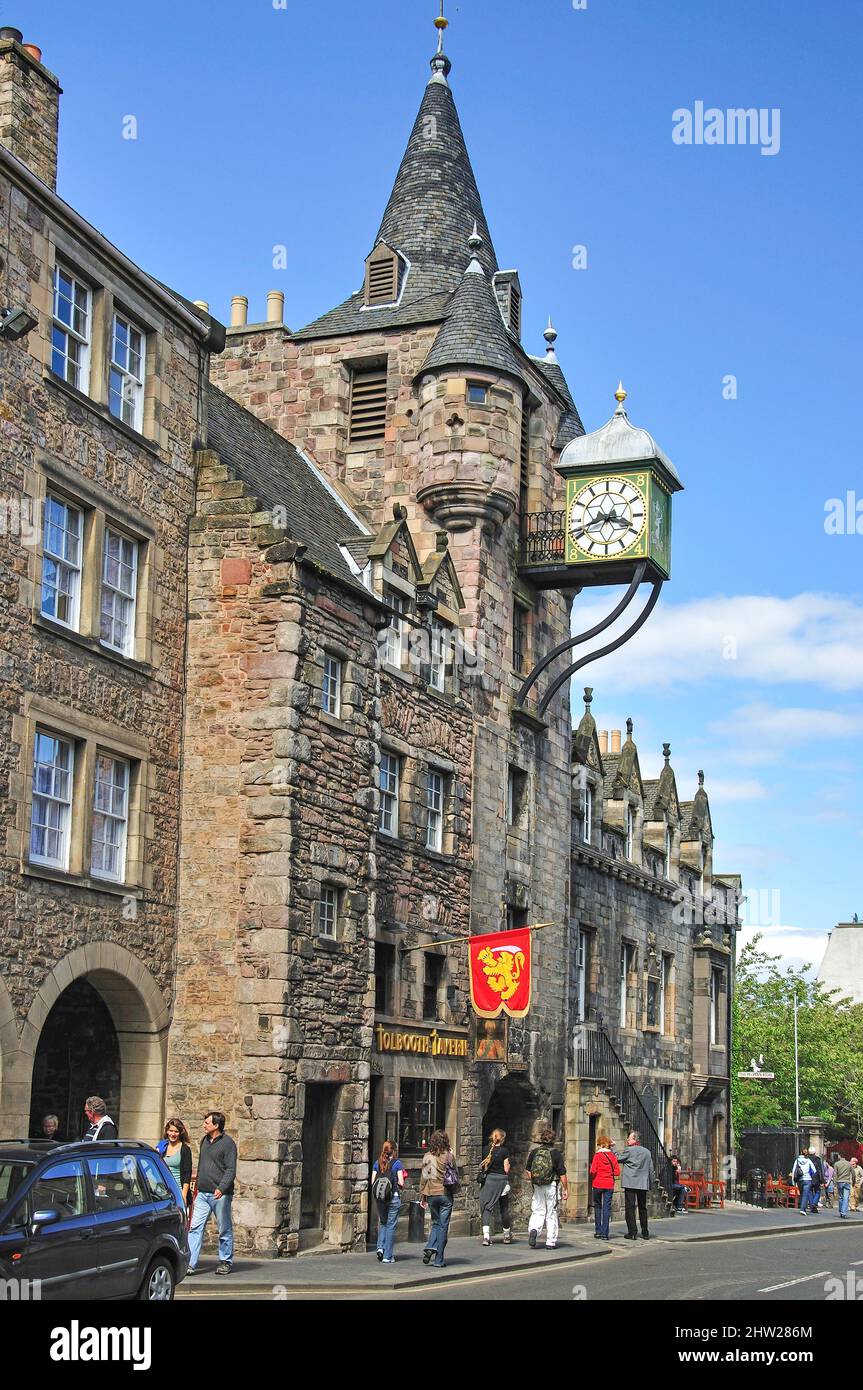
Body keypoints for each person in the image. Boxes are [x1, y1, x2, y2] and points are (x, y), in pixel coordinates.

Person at [187, 1111, 237, 1276]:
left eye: (207, 1123)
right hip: (202, 1193)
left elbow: (230, 1169)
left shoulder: (228, 1144)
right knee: (194, 1228)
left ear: (216, 1125)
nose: (204, 1125)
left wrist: (221, 1188)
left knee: (224, 1228)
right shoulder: (204, 1141)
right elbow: (202, 1165)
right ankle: (190, 1263)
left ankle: (225, 1262)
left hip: (220, 1195)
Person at [419, 1129, 458, 1268]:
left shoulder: (428, 1156)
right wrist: (452, 1155)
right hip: (445, 1194)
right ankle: (439, 1259)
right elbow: (455, 1174)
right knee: (443, 1226)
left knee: (435, 1223)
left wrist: (422, 1196)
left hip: (431, 1194)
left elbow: (425, 1178)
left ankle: (430, 1247)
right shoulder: (448, 1156)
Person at [526, 1127, 569, 1249]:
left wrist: (535, 1181)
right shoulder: (555, 1153)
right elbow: (562, 1174)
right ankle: (550, 1241)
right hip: (551, 1186)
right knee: (551, 1213)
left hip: (538, 1186)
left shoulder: (534, 1152)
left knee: (538, 1210)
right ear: (552, 1140)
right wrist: (566, 1189)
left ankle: (534, 1230)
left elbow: (528, 1170)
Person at [371, 1139, 405, 1264]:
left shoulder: (377, 1163)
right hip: (393, 1197)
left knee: (383, 1223)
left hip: (380, 1198)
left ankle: (380, 1247)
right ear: (394, 1151)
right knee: (391, 1225)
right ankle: (388, 1256)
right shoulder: (397, 1164)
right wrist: (399, 1184)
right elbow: (401, 1182)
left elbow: (372, 1182)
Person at [477, 1127, 512, 1246]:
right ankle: (507, 1235)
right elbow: (506, 1169)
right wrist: (509, 1166)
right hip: (502, 1182)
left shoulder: (486, 1149)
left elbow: (484, 1167)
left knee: (487, 1208)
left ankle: (486, 1237)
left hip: (489, 1181)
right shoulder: (504, 1151)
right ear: (502, 1139)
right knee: (504, 1208)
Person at [617, 1130, 654, 1240]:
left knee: (630, 1207)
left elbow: (617, 1158)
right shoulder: (647, 1152)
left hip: (630, 1183)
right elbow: (651, 1169)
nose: (627, 1140)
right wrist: (650, 1183)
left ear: (634, 1139)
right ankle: (645, 1232)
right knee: (643, 1208)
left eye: (629, 1138)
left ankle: (632, 1232)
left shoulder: (629, 1150)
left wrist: (613, 1148)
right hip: (643, 1183)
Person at [156, 1117, 193, 1208]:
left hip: (178, 1191)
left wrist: (183, 1196)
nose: (173, 1134)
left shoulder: (185, 1149)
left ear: (180, 1133)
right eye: (171, 1131)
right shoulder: (162, 1147)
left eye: (176, 1131)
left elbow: (187, 1174)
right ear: (167, 1131)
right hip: (162, 1191)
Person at [588, 1133, 618, 1241]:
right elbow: (617, 1172)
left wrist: (593, 1167)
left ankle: (598, 1231)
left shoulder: (597, 1156)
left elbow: (593, 1171)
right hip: (609, 1184)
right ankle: (605, 1234)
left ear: (600, 1145)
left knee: (598, 1206)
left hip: (597, 1184)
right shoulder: (613, 1156)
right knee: (606, 1208)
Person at [791, 1146, 815, 1213]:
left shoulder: (797, 1160)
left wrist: (793, 1181)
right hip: (807, 1179)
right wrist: (809, 1174)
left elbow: (793, 1171)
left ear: (801, 1152)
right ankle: (802, 1209)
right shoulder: (808, 1160)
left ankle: (802, 1207)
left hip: (800, 1180)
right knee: (805, 1194)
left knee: (802, 1194)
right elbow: (814, 1170)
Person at [833, 1153, 853, 1218]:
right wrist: (854, 1180)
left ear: (839, 1156)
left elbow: (835, 1174)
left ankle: (841, 1210)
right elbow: (853, 1173)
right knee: (846, 1197)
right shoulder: (849, 1164)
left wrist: (835, 1183)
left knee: (841, 1197)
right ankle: (843, 1212)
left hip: (839, 1182)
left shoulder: (836, 1164)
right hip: (847, 1182)